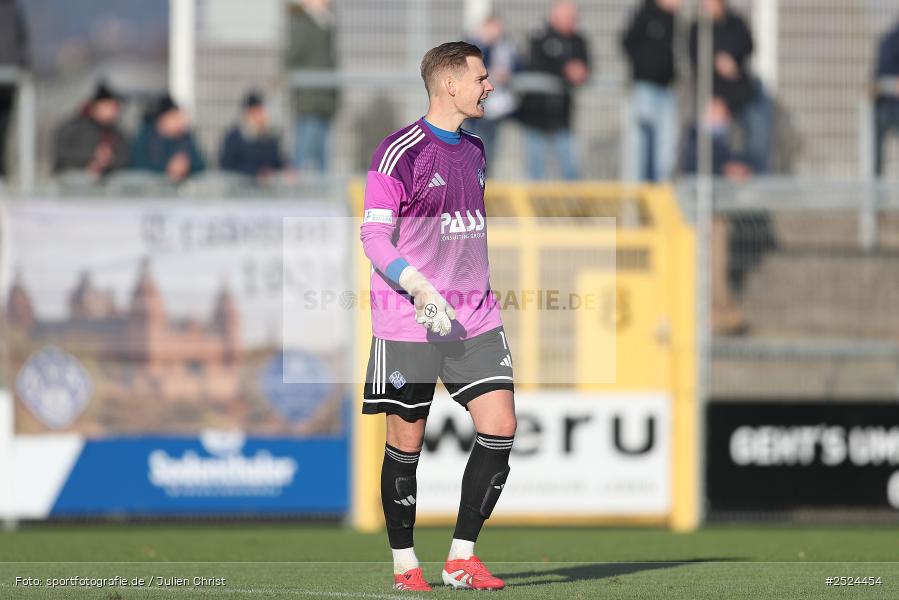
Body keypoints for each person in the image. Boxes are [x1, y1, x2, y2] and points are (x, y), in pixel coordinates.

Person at [360, 41, 514, 592]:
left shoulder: (476, 150)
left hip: (475, 317)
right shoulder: (397, 152)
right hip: (409, 321)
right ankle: (406, 566)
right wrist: (419, 287)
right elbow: (373, 236)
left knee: (501, 425)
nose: (489, 86)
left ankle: (461, 558)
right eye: (480, 77)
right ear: (450, 84)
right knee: (407, 443)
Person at [689, 0, 772, 174]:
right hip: (716, 96)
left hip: (741, 94)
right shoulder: (699, 29)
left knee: (757, 133)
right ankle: (716, 177)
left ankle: (757, 176)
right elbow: (696, 62)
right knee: (711, 142)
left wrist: (731, 58)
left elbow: (749, 46)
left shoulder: (736, 23)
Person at [516, 0, 590, 180]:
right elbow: (534, 64)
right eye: (569, 17)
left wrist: (580, 72)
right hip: (535, 113)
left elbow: (586, 66)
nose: (573, 21)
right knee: (536, 167)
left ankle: (572, 199)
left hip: (562, 115)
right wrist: (565, 70)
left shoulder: (578, 41)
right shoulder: (539, 37)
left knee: (569, 166)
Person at [621, 0, 681, 182]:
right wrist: (646, 67)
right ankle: (640, 185)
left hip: (667, 88)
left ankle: (660, 184)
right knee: (642, 140)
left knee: (666, 143)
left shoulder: (675, 20)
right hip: (646, 88)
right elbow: (627, 42)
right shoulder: (645, 14)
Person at [287, 0, 338, 173]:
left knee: (320, 155)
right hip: (309, 98)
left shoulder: (326, 23)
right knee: (305, 155)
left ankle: (313, 186)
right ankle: (299, 187)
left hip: (323, 98)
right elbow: (292, 55)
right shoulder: (305, 22)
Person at [465, 14, 519, 162]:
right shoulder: (474, 44)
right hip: (477, 106)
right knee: (475, 151)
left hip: (496, 108)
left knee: (490, 153)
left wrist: (508, 74)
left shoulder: (505, 46)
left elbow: (517, 65)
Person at [53, 82, 130, 177]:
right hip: (72, 182)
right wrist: (92, 157)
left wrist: (108, 161)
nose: (112, 111)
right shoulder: (73, 128)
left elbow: (124, 160)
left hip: (107, 183)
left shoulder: (118, 133)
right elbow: (62, 156)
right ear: (95, 107)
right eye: (107, 106)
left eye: (114, 107)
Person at [131, 95, 205, 183]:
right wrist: (167, 168)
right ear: (163, 119)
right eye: (174, 116)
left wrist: (187, 165)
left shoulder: (185, 138)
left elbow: (200, 164)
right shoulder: (145, 137)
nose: (182, 121)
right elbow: (140, 165)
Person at [219, 91, 286, 182]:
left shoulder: (269, 138)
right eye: (256, 112)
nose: (261, 117)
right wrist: (255, 173)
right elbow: (226, 167)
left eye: (261, 112)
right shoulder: (234, 138)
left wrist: (286, 170)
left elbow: (277, 163)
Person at [0, 0, 29, 179]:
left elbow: (21, 39)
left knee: (4, 128)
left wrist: (24, 67)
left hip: (10, 79)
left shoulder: (12, 8)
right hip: (10, 74)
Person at [874, 18, 899, 177]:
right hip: (890, 104)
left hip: (884, 104)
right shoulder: (891, 40)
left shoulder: (888, 39)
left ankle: (875, 179)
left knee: (875, 156)